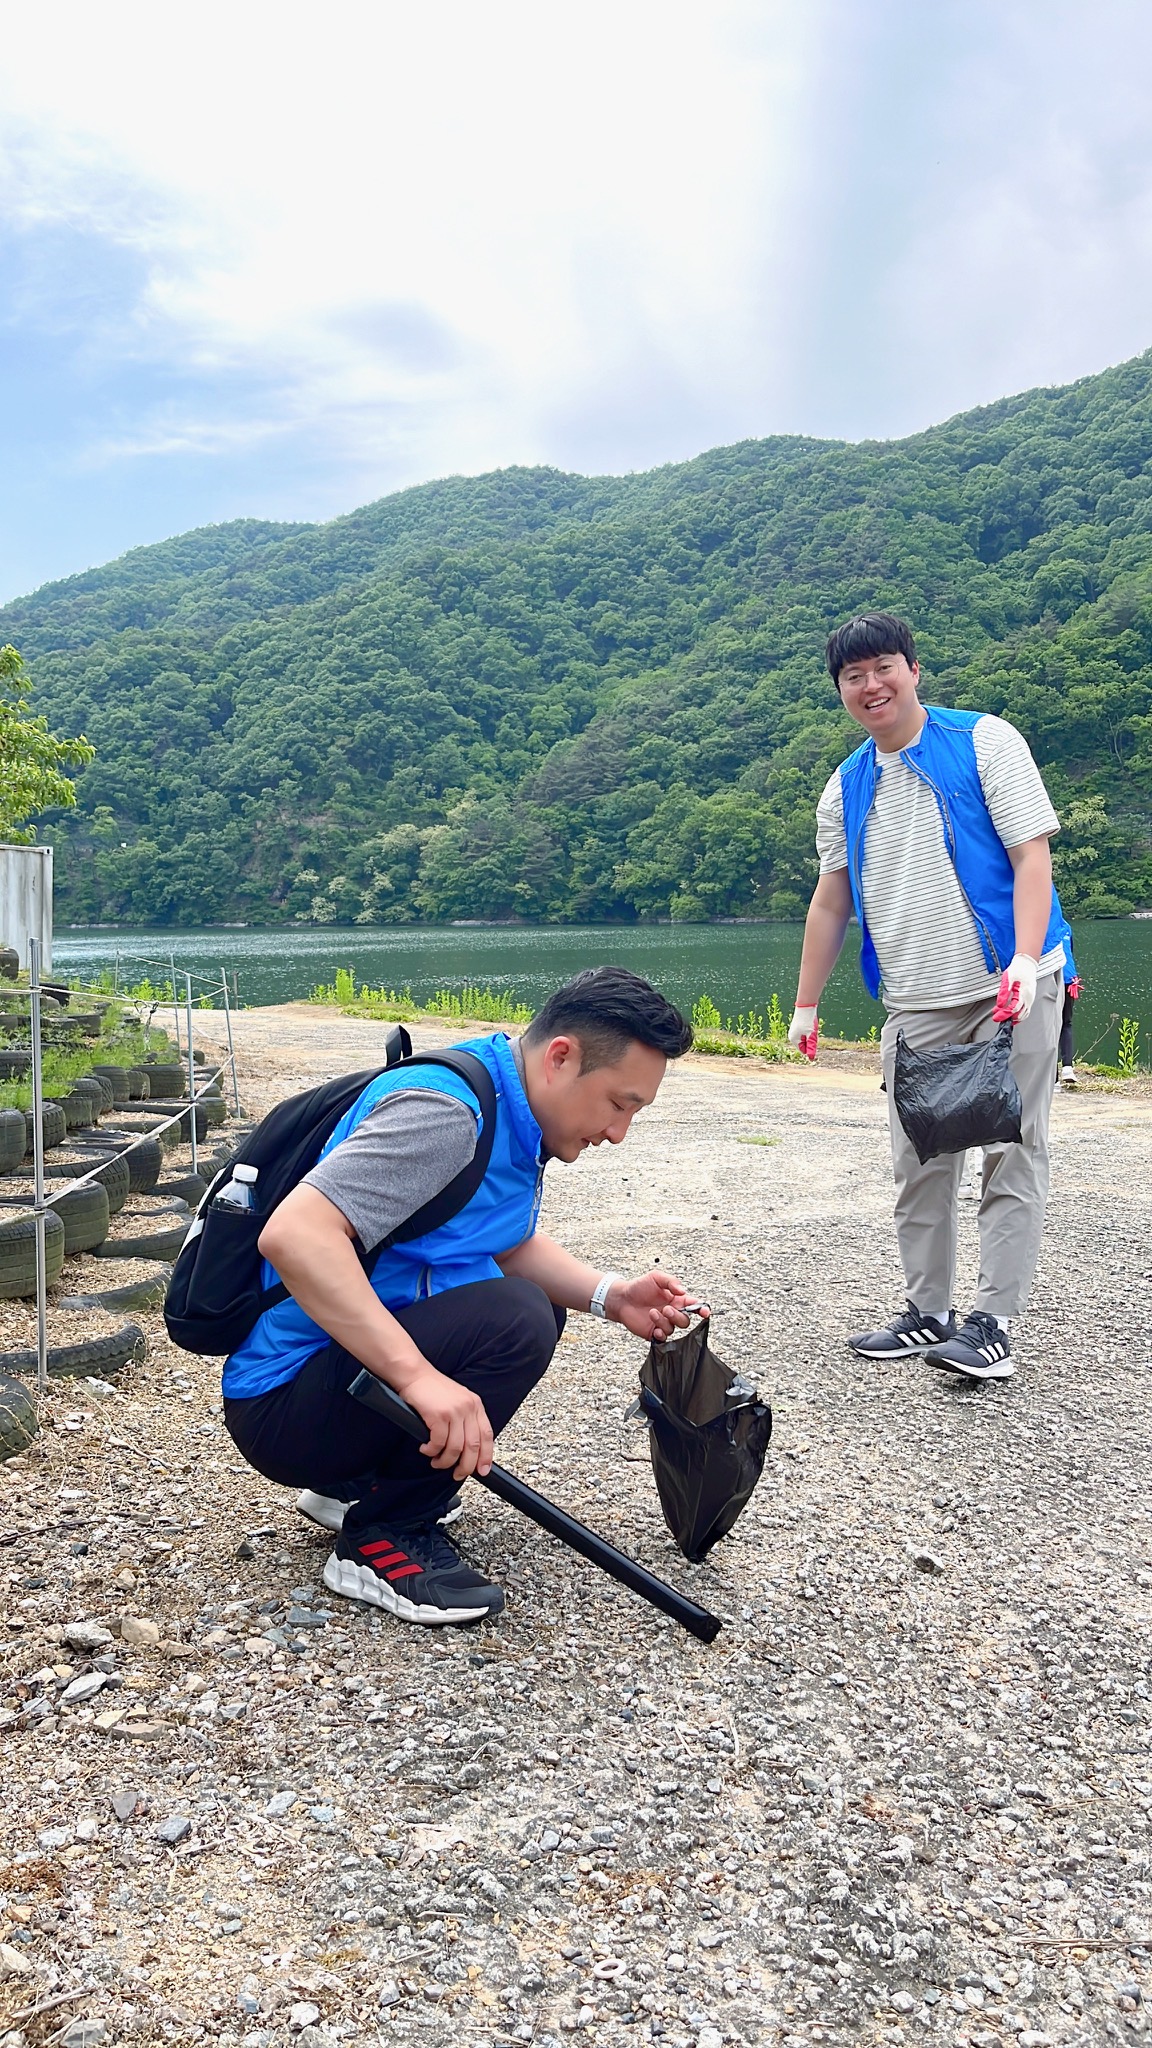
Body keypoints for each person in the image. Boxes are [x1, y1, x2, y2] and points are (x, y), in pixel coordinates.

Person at [222, 967, 702, 1626]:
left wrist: (612, 1297)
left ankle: (356, 1487)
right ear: (561, 1058)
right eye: (620, 1103)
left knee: (527, 1300)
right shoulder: (448, 1113)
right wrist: (418, 1378)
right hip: (282, 1402)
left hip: (331, 1385)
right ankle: (382, 1537)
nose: (619, 1132)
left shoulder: (507, 1104)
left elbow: (504, 1244)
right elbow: (297, 1237)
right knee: (518, 1316)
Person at [788, 611, 1067, 1383]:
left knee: (1012, 1151)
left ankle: (993, 1322)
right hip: (915, 997)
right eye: (853, 676)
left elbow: (1030, 854)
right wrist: (807, 1005)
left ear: (914, 669)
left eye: (883, 667)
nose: (871, 685)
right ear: (841, 691)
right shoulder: (845, 786)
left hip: (1010, 983)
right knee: (919, 1161)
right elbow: (830, 902)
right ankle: (928, 1312)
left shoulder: (984, 741)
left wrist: (1023, 956)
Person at [1055, 918, 1082, 1086]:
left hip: (1052, 978)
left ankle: (1052, 1076)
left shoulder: (1039, 924)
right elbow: (1070, 951)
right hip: (1070, 978)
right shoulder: (1066, 926)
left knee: (1048, 1027)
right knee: (1066, 1024)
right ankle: (1067, 1068)